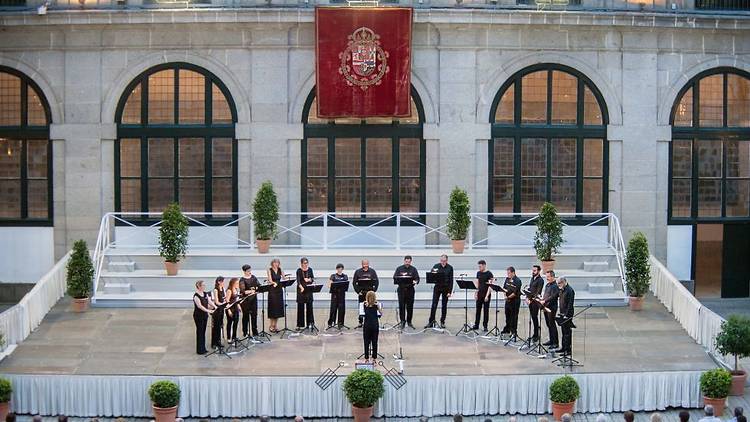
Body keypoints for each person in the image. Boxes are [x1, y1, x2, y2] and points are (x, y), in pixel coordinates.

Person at [425, 254, 454, 329]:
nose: (442, 262)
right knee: (434, 305)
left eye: (444, 261)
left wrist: (449, 292)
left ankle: (442, 322)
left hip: (446, 288)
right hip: (437, 288)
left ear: (447, 261)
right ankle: (431, 321)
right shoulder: (436, 266)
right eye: (441, 261)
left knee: (444, 306)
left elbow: (451, 281)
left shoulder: (450, 268)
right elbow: (431, 275)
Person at [394, 255, 419, 329]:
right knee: (401, 306)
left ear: (411, 261)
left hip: (410, 290)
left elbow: (417, 278)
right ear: (404, 261)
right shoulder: (399, 269)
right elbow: (395, 277)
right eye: (406, 261)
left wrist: (416, 281)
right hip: (401, 290)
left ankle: (409, 321)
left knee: (410, 307)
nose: (407, 263)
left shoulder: (413, 269)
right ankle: (402, 321)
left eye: (409, 261)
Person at [353, 259, 379, 327]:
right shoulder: (358, 272)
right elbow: (354, 283)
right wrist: (358, 292)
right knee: (361, 306)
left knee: (371, 306)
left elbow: (376, 282)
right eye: (364, 264)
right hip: (362, 292)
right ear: (362, 264)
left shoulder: (372, 271)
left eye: (367, 264)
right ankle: (360, 322)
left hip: (370, 293)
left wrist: (374, 291)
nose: (366, 265)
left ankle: (370, 320)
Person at [193, 280, 215, 354]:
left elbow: (209, 301)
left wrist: (215, 306)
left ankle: (203, 348)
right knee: (200, 332)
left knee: (203, 331)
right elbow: (200, 306)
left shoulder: (205, 293)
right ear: (199, 286)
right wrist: (208, 311)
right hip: (198, 316)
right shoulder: (196, 296)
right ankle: (199, 350)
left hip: (204, 315)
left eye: (204, 285)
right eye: (203, 285)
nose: (204, 286)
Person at [360, 290, 382, 362]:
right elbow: (380, 314)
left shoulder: (364, 304)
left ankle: (366, 358)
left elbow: (362, 313)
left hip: (367, 325)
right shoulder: (376, 305)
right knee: (375, 342)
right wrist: (378, 307)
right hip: (375, 325)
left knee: (366, 342)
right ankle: (374, 358)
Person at [239, 264, 260, 338]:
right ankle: (245, 331)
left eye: (250, 270)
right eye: (248, 271)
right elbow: (243, 291)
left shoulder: (253, 277)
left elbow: (258, 285)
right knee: (246, 316)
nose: (250, 272)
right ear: (244, 271)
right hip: (246, 301)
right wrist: (251, 291)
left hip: (253, 299)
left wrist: (257, 289)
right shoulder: (242, 280)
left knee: (254, 315)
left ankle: (255, 331)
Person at [472, 259, 493, 332]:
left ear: (484, 265)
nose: (479, 268)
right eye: (479, 267)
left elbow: (490, 286)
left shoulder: (489, 274)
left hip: (486, 294)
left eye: (480, 266)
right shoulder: (478, 273)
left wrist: (487, 296)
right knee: (478, 310)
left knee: (486, 311)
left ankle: (485, 326)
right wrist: (476, 293)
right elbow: (477, 284)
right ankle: (476, 324)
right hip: (479, 294)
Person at [557, 275, 576, 356]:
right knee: (563, 332)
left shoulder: (570, 290)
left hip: (567, 314)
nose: (558, 285)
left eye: (560, 283)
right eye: (558, 284)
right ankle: (563, 347)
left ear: (564, 282)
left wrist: (566, 315)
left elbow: (570, 305)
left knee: (567, 333)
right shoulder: (562, 289)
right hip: (562, 313)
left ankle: (568, 350)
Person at [296, 257, 316, 330]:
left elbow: (313, 278)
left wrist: (309, 279)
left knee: (309, 308)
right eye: (304, 263)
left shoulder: (310, 270)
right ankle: (300, 325)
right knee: (300, 308)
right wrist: (301, 288)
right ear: (301, 264)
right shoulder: (298, 271)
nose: (306, 264)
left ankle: (310, 323)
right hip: (301, 291)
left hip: (309, 291)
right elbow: (298, 281)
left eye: (307, 263)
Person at [541, 270, 560, 350]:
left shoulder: (555, 286)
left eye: (548, 277)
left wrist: (545, 301)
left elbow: (553, 296)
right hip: (546, 307)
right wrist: (542, 299)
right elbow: (546, 294)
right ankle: (551, 340)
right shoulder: (548, 285)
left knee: (552, 325)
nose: (547, 278)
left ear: (553, 277)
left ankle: (555, 342)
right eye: (546, 277)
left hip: (551, 308)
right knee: (549, 325)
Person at [501, 266, 522, 336]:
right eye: (507, 273)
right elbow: (504, 288)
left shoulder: (518, 281)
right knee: (507, 315)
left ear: (513, 273)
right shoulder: (507, 279)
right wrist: (505, 296)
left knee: (514, 317)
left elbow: (515, 292)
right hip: (507, 301)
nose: (508, 275)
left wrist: (508, 297)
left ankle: (514, 331)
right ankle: (507, 329)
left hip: (515, 301)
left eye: (509, 273)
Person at [526, 264, 544, 342]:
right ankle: (533, 334)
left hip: (535, 302)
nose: (533, 272)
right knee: (532, 318)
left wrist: (531, 299)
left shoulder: (540, 280)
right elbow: (530, 289)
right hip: (530, 301)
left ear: (539, 271)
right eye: (532, 270)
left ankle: (536, 335)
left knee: (535, 317)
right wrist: (527, 297)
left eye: (534, 270)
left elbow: (538, 292)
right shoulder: (532, 278)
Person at [327, 263, 349, 329]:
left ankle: (340, 323)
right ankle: (331, 322)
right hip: (334, 295)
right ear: (337, 269)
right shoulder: (333, 276)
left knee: (342, 310)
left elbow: (346, 284)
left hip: (342, 295)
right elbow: (329, 285)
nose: (340, 270)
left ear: (342, 269)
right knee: (333, 309)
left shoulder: (345, 276)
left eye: (341, 268)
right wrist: (331, 284)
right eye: (338, 268)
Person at [266, 258, 285, 333]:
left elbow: (283, 277)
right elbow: (270, 280)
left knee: (278, 308)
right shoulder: (269, 270)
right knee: (273, 308)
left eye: (277, 263)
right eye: (275, 263)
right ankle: (271, 325)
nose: (276, 264)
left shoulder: (280, 269)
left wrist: (282, 270)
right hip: (272, 290)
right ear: (272, 263)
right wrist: (274, 283)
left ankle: (275, 325)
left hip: (279, 290)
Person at [211, 276, 227, 349]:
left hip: (221, 309)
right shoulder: (215, 290)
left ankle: (219, 341)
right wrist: (223, 304)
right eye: (223, 281)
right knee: (216, 327)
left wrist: (226, 301)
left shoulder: (223, 288)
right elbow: (216, 302)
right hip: (217, 310)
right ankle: (214, 343)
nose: (224, 283)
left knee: (220, 325)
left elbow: (224, 298)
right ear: (219, 282)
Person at [225, 277, 241, 342]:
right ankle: (229, 338)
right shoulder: (229, 290)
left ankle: (234, 337)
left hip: (235, 308)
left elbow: (236, 299)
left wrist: (239, 306)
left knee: (236, 323)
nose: (238, 284)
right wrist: (228, 310)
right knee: (229, 323)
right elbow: (227, 301)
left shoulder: (236, 289)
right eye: (237, 283)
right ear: (233, 283)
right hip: (230, 308)